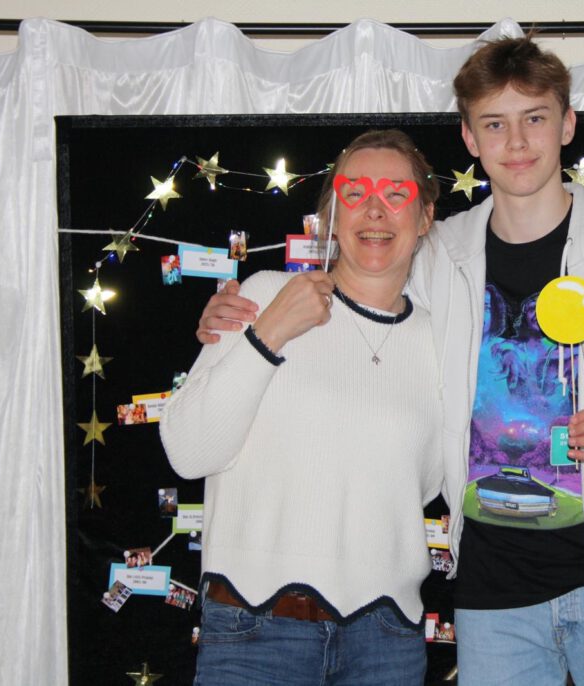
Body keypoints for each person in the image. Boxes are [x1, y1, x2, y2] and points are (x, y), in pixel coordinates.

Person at [197, 36, 584, 686]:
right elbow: (359, 289)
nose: (517, 142)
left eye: (535, 118)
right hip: (491, 604)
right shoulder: (436, 257)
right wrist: (240, 313)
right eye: (495, 124)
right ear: (469, 137)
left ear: (567, 124)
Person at [161, 129, 443, 686]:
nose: (375, 210)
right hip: (254, 631)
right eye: (355, 192)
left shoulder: (442, 340)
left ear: (426, 217)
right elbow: (188, 452)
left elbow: (429, 482)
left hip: (387, 641)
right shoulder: (264, 294)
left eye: (396, 194)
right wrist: (267, 334)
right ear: (331, 215)